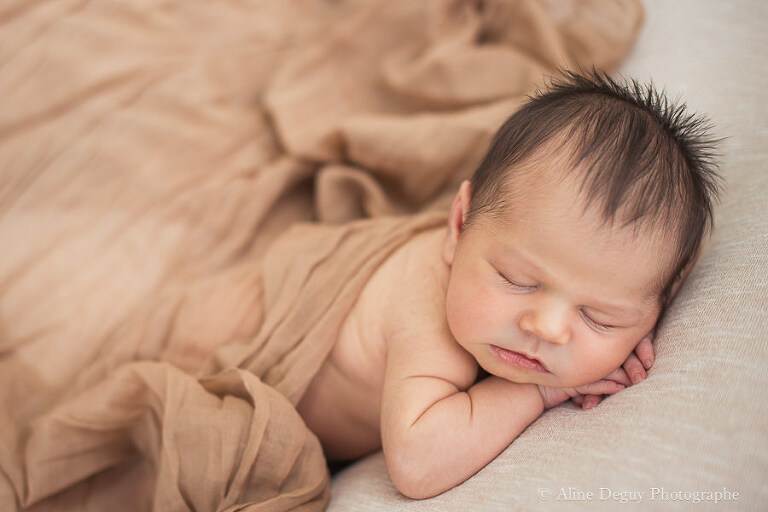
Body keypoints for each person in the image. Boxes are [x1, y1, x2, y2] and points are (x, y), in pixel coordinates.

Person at [295, 71, 723, 499]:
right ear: (460, 225)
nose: (547, 328)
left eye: (599, 317)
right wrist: (538, 392)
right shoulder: (428, 314)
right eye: (517, 281)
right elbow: (415, 464)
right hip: (254, 337)